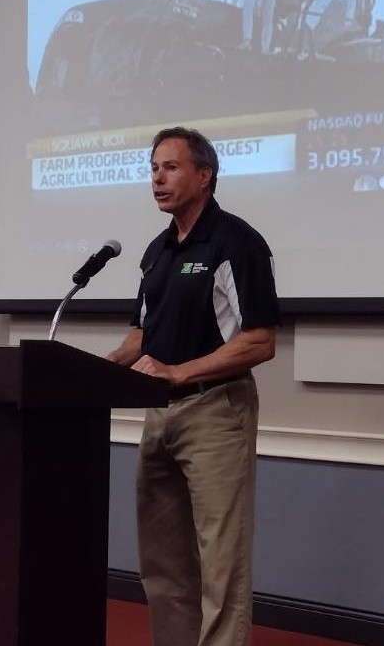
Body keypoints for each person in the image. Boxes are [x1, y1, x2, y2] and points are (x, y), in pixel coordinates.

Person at [106, 126, 279, 646]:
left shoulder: (236, 243)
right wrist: (99, 368)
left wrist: (180, 372)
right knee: (163, 562)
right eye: (153, 169)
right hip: (159, 415)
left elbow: (259, 341)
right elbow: (143, 334)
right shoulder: (157, 251)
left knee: (221, 563)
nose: (157, 179)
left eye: (171, 167)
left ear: (205, 176)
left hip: (215, 412)